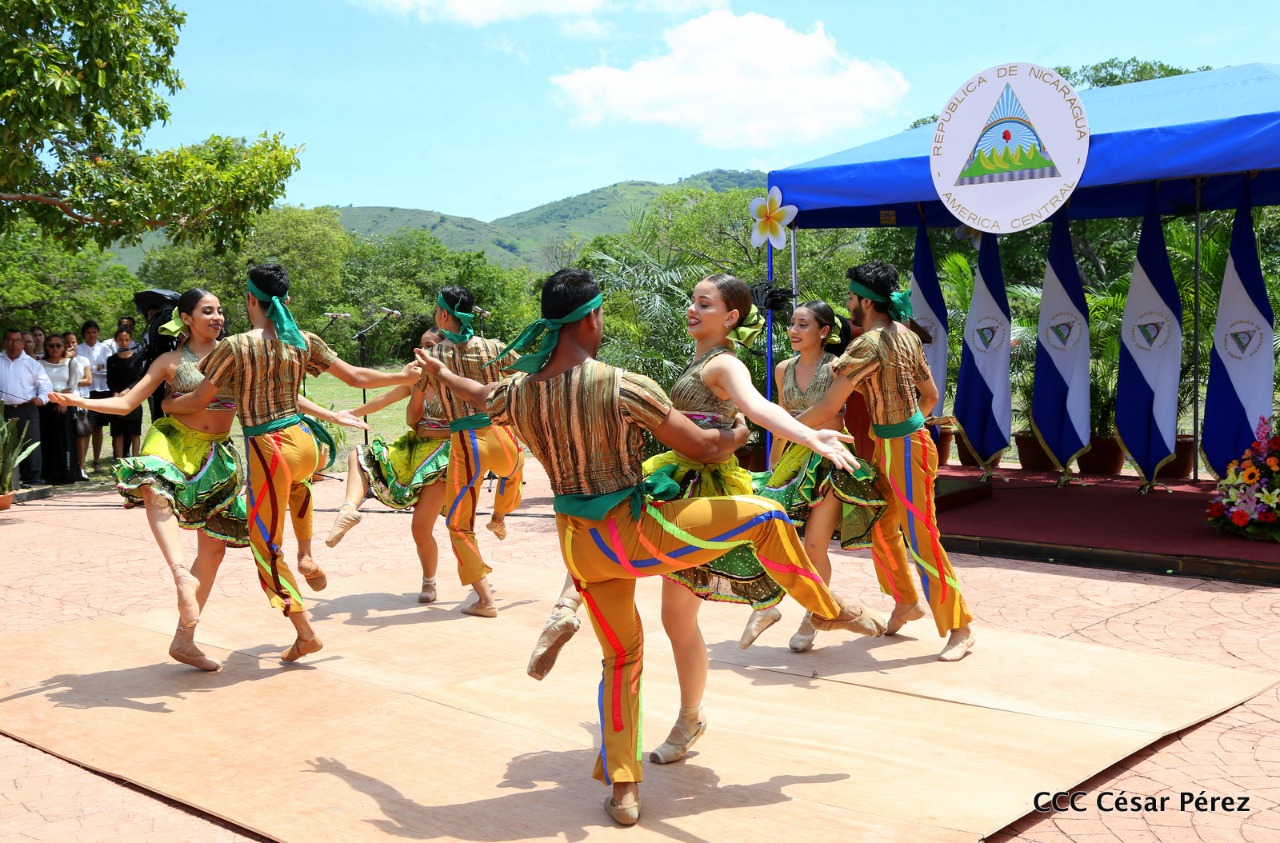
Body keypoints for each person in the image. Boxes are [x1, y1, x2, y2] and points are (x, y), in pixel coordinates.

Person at [418, 268, 888, 826]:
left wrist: (442, 373)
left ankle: (624, 788)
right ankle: (825, 609)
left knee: (621, 658)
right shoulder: (622, 384)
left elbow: (480, 394)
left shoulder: (520, 390)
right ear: (592, 319)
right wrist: (750, 435)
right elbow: (704, 446)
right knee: (766, 517)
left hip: (578, 545)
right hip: (634, 535)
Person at [526, 276, 886, 771]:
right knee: (655, 590)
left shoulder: (723, 363)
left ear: (731, 317)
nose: (691, 309)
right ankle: (574, 615)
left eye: (704, 303)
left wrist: (809, 437)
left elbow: (758, 408)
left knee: (681, 610)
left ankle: (692, 706)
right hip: (677, 478)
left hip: (705, 486)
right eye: (692, 301)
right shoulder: (699, 360)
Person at [165, 264, 420, 662]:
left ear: (250, 299)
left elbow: (198, 400)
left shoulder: (235, 346)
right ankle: (306, 554)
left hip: (271, 449)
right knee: (297, 487)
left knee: (264, 546)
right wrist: (400, 376)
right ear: (286, 299)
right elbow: (355, 377)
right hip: (306, 444)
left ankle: (305, 632)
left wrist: (168, 405)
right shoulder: (302, 339)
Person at [796, 261, 975, 662]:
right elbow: (930, 397)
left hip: (905, 449)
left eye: (850, 297)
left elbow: (828, 406)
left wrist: (780, 425)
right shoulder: (906, 335)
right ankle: (906, 602)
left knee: (922, 537)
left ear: (865, 301)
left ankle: (960, 627)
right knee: (880, 526)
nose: (847, 304)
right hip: (900, 444)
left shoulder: (869, 344)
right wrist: (900, 431)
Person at [757, 300, 886, 653]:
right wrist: (775, 459)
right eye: (792, 324)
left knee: (814, 545)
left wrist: (788, 430)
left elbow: (824, 411)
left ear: (824, 331)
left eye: (803, 324)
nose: (793, 331)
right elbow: (781, 415)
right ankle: (768, 605)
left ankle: (813, 616)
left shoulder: (836, 367)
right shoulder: (783, 368)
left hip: (829, 460)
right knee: (773, 538)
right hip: (791, 461)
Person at [410, 285, 524, 617]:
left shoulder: (432, 356)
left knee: (459, 526)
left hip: (466, 443)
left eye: (437, 310)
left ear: (445, 315)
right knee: (514, 472)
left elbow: (414, 404)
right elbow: (529, 376)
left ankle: (485, 600)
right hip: (502, 436)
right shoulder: (495, 347)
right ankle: (499, 516)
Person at [325, 327, 453, 604]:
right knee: (360, 456)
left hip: (443, 458)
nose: (421, 351)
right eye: (420, 345)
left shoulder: (456, 381)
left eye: (429, 345)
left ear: (445, 350)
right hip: (415, 449)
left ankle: (429, 582)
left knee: (420, 529)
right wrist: (346, 414)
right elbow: (387, 403)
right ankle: (348, 510)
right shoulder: (416, 380)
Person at [2, 328, 51, 487]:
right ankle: (5, 480)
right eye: (10, 340)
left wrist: (41, 398)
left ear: (23, 343)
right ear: (4, 342)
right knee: (4, 445)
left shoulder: (32, 363)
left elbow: (46, 386)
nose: (14, 344)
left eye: (17, 340)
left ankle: (33, 479)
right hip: (2, 410)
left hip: (27, 408)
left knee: (31, 443)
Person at [36, 336, 84, 484]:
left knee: (65, 439)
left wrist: (63, 401)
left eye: (58, 345)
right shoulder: (39, 364)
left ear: (63, 347)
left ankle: (67, 473)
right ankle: (47, 474)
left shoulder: (71, 363)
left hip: (64, 404)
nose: (55, 348)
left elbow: (72, 385)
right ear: (46, 347)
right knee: (47, 439)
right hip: (46, 405)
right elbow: (39, 385)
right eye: (51, 345)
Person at [77, 320, 113, 471]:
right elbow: (80, 371)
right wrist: (96, 368)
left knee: (98, 427)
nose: (91, 335)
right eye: (88, 332)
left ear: (98, 333)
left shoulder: (105, 349)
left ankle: (96, 461)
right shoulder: (78, 349)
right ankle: (82, 463)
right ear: (83, 334)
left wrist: (91, 369)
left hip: (102, 390)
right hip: (85, 392)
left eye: (94, 332)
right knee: (85, 427)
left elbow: (108, 368)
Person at [106, 328, 144, 461]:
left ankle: (135, 460)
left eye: (126, 339)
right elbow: (110, 380)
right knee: (117, 432)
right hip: (116, 399)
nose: (124, 342)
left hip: (134, 398)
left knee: (135, 432)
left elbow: (139, 379)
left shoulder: (137, 358)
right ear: (116, 340)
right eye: (121, 339)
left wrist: (127, 391)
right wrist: (115, 393)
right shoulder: (111, 360)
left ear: (131, 340)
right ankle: (119, 461)